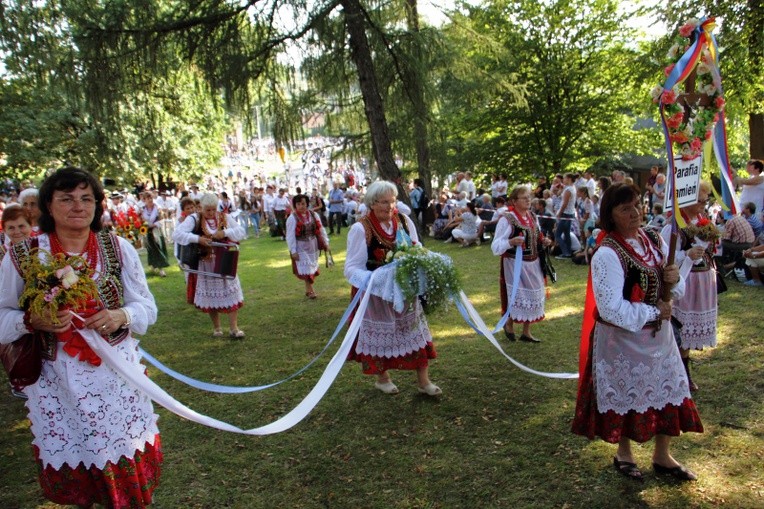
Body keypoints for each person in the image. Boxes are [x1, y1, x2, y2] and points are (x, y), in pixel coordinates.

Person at [0, 166, 162, 507]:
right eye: (67, 198)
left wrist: (121, 314)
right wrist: (32, 320)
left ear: (98, 204)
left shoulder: (118, 248)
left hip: (117, 378)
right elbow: (2, 317)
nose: (78, 206)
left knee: (124, 464)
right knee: (82, 472)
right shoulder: (23, 255)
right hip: (57, 382)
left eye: (87, 198)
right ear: (47, 206)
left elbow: (147, 308)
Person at [573, 182, 702, 482]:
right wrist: (656, 311)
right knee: (625, 394)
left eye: (636, 205)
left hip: (659, 338)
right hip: (622, 340)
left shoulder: (653, 240)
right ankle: (624, 453)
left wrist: (674, 275)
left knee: (668, 391)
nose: (634, 213)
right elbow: (611, 309)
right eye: (624, 208)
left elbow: (673, 291)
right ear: (610, 214)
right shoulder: (607, 253)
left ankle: (662, 455)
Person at [344, 180, 441, 396]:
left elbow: (417, 248)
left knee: (414, 331)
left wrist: (419, 263)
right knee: (382, 336)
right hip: (376, 295)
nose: (389, 206)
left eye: (393, 201)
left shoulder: (404, 220)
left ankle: (424, 382)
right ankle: (383, 378)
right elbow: (351, 268)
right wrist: (378, 279)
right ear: (371, 203)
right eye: (383, 202)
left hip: (405, 291)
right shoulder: (361, 228)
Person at [661, 182, 717, 392]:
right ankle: (678, 370)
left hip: (701, 281)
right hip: (684, 283)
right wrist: (687, 255)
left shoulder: (700, 222)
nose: (704, 205)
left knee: (690, 332)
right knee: (681, 327)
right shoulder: (672, 226)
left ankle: (684, 369)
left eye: (705, 200)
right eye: (700, 201)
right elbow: (666, 258)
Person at [174, 193, 246, 338]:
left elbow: (241, 231)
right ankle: (217, 328)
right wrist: (197, 239)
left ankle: (234, 328)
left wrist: (225, 232)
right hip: (204, 263)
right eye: (208, 210)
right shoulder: (194, 218)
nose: (211, 213)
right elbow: (177, 234)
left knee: (231, 291)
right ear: (202, 208)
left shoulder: (224, 217)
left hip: (224, 259)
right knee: (210, 295)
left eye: (213, 209)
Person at [491, 186, 552, 342]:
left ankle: (526, 331)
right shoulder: (507, 219)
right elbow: (495, 246)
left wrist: (544, 241)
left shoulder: (532, 216)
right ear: (514, 201)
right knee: (517, 295)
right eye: (523, 198)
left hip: (533, 263)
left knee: (533, 295)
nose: (528, 200)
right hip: (514, 264)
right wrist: (510, 241)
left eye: (529, 197)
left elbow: (537, 235)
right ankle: (509, 323)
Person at [286, 194, 330, 299]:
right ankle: (311, 291)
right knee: (306, 270)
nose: (301, 206)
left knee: (311, 268)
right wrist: (293, 250)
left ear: (307, 204)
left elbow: (321, 229)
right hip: (300, 246)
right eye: (298, 204)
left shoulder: (314, 215)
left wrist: (326, 242)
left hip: (312, 245)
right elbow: (290, 235)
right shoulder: (292, 218)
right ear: (295, 205)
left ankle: (308, 290)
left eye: (303, 203)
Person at [141, 191, 170, 277]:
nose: (150, 200)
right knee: (151, 249)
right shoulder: (142, 209)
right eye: (147, 198)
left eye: (151, 198)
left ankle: (161, 269)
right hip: (147, 232)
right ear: (144, 200)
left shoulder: (157, 208)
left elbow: (162, 219)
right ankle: (153, 265)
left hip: (156, 231)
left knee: (158, 248)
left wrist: (154, 224)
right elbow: (140, 220)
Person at [555, 173, 577, 259]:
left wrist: (559, 213)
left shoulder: (569, 190)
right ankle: (568, 251)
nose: (563, 180)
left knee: (558, 234)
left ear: (568, 179)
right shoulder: (571, 188)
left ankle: (565, 252)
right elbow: (559, 195)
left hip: (566, 214)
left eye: (564, 178)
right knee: (567, 233)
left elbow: (565, 203)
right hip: (570, 213)